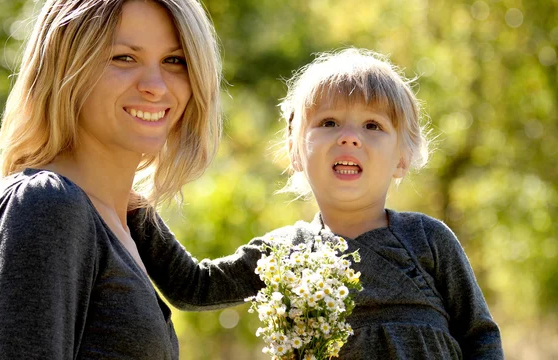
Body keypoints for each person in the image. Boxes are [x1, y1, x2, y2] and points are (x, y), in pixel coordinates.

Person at [132, 48, 504, 359]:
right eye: (328, 122)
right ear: (295, 151)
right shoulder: (284, 254)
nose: (349, 138)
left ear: (403, 158)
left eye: (372, 126)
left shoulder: (428, 240)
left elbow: (480, 337)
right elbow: (195, 287)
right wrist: (130, 202)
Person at [0, 0, 222, 358]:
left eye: (175, 61)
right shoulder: (47, 206)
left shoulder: (125, 218)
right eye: (124, 58)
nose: (155, 86)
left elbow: (202, 285)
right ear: (67, 65)